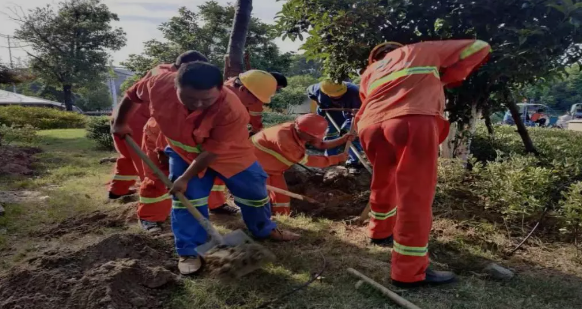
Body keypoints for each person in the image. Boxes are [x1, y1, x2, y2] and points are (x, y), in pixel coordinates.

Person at [112, 62, 299, 275]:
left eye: (206, 100)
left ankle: (264, 229)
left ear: (221, 89)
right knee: (188, 200)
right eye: (190, 98)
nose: (198, 104)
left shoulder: (232, 109)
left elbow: (211, 153)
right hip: (183, 152)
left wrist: (184, 177)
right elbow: (132, 95)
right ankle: (189, 251)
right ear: (176, 86)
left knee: (255, 193)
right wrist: (120, 122)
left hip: (231, 154)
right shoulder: (158, 84)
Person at [358, 40, 491, 287]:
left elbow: (367, 101)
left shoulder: (370, 71)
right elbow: (480, 46)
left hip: (370, 125)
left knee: (383, 179)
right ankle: (408, 271)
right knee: (415, 194)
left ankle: (379, 232)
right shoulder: (421, 49)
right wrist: (447, 77)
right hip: (412, 119)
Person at [108, 51, 209, 200]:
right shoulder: (169, 79)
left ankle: (117, 191)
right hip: (135, 119)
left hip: (124, 115)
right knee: (149, 166)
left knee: (128, 157)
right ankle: (152, 203)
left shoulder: (161, 69)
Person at [251, 114, 353, 215]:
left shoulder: (299, 130)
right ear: (304, 132)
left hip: (273, 169)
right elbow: (309, 160)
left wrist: (342, 139)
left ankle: (282, 217)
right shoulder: (285, 140)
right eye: (313, 136)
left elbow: (320, 144)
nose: (315, 138)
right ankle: (261, 220)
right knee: (261, 198)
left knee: (281, 197)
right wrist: (336, 159)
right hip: (255, 168)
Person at [307, 80, 364, 172]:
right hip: (330, 110)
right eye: (335, 96)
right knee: (331, 135)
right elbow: (311, 94)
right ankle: (330, 161)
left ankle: (353, 162)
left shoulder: (354, 92)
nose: (338, 96)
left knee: (351, 136)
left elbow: (359, 113)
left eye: (341, 95)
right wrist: (319, 104)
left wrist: (349, 127)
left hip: (350, 113)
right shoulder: (317, 89)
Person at [224, 70, 288, 134]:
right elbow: (255, 117)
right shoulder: (256, 92)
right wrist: (256, 132)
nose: (273, 92)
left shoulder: (239, 81)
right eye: (276, 89)